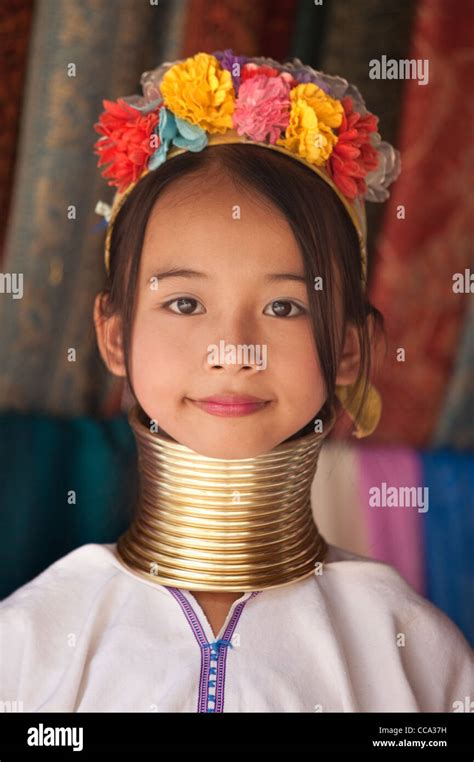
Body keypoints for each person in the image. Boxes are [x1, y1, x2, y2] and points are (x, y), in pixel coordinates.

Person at [0, 50, 471, 713]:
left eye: (285, 307)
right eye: (185, 303)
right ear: (114, 334)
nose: (234, 350)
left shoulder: (414, 655)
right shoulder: (31, 644)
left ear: (347, 349)